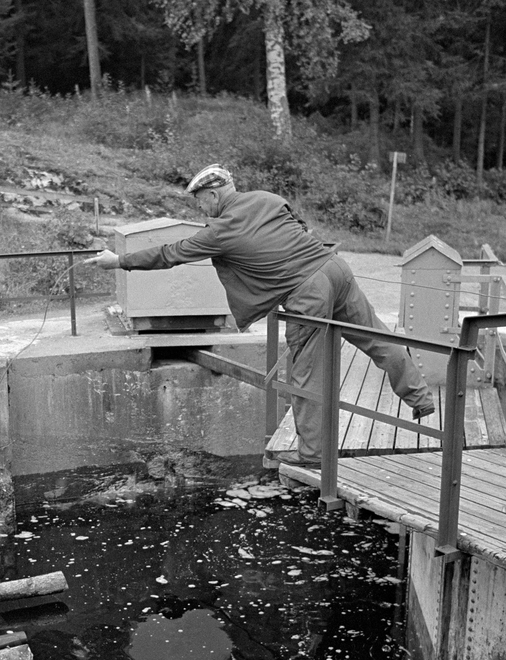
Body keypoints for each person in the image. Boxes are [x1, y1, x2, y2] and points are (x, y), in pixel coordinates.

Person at [85, 163, 434, 467]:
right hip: (335, 268)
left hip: (307, 292)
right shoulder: (267, 198)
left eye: (200, 199)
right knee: (377, 338)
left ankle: (313, 455)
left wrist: (118, 261)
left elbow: (169, 254)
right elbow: (298, 225)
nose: (200, 206)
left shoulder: (220, 232)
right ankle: (420, 398)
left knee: (305, 374)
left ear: (214, 193)